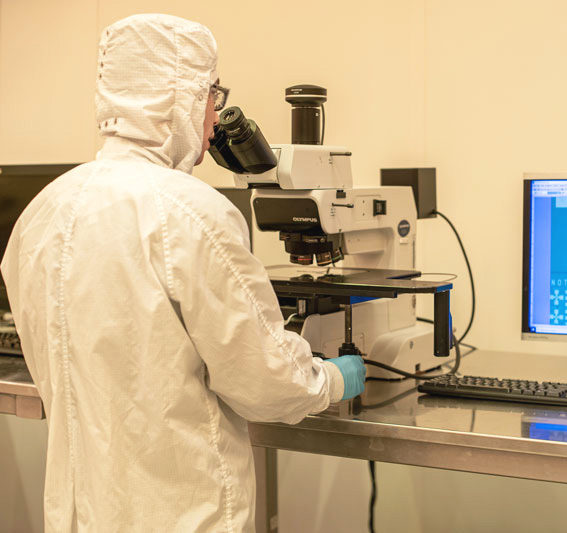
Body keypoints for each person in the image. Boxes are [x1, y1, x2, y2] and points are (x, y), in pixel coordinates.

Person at [0, 13, 365, 532]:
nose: (215, 120)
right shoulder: (192, 212)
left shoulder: (42, 211)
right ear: (184, 98)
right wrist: (331, 378)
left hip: (78, 515)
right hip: (181, 514)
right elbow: (267, 384)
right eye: (212, 96)